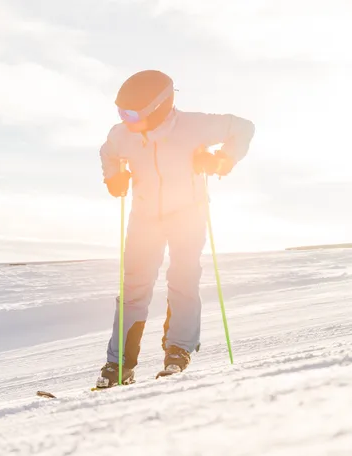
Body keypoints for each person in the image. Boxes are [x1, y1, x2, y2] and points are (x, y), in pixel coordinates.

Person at [96, 69, 255, 388]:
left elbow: (243, 128)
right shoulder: (122, 134)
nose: (125, 119)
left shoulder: (194, 125)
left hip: (187, 213)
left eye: (131, 113)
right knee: (133, 289)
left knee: (183, 278)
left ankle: (178, 352)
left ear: (158, 108)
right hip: (145, 218)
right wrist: (113, 177)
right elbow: (109, 152)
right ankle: (119, 365)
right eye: (120, 112)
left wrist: (223, 160)